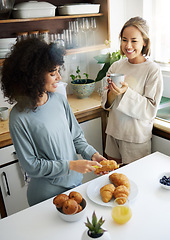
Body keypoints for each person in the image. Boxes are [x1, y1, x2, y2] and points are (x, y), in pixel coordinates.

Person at [1, 38, 106, 206]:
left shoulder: (59, 100)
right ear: (33, 76)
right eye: (52, 73)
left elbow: (76, 137)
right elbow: (32, 166)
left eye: (58, 70)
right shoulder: (19, 117)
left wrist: (93, 154)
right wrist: (71, 165)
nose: (59, 76)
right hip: (46, 196)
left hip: (75, 187)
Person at [101, 16, 163, 164]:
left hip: (135, 138)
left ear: (145, 42)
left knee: (133, 182)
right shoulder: (116, 66)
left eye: (134, 41)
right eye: (124, 39)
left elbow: (150, 110)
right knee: (113, 178)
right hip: (113, 133)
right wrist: (112, 93)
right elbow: (106, 102)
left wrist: (125, 93)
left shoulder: (152, 70)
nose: (128, 45)